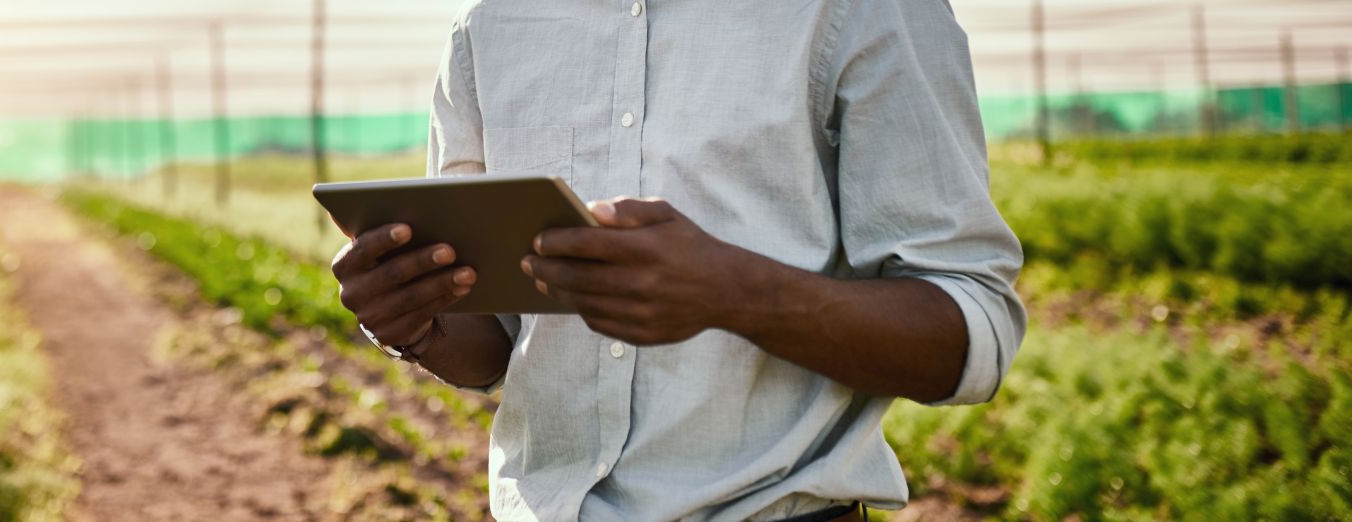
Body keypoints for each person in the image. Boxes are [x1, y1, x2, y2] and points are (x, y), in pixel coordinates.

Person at [327, 0, 1027, 520]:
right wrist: (417, 325)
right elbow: (499, 349)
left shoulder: (862, 11)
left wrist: (735, 293)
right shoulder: (491, 26)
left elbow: (971, 332)